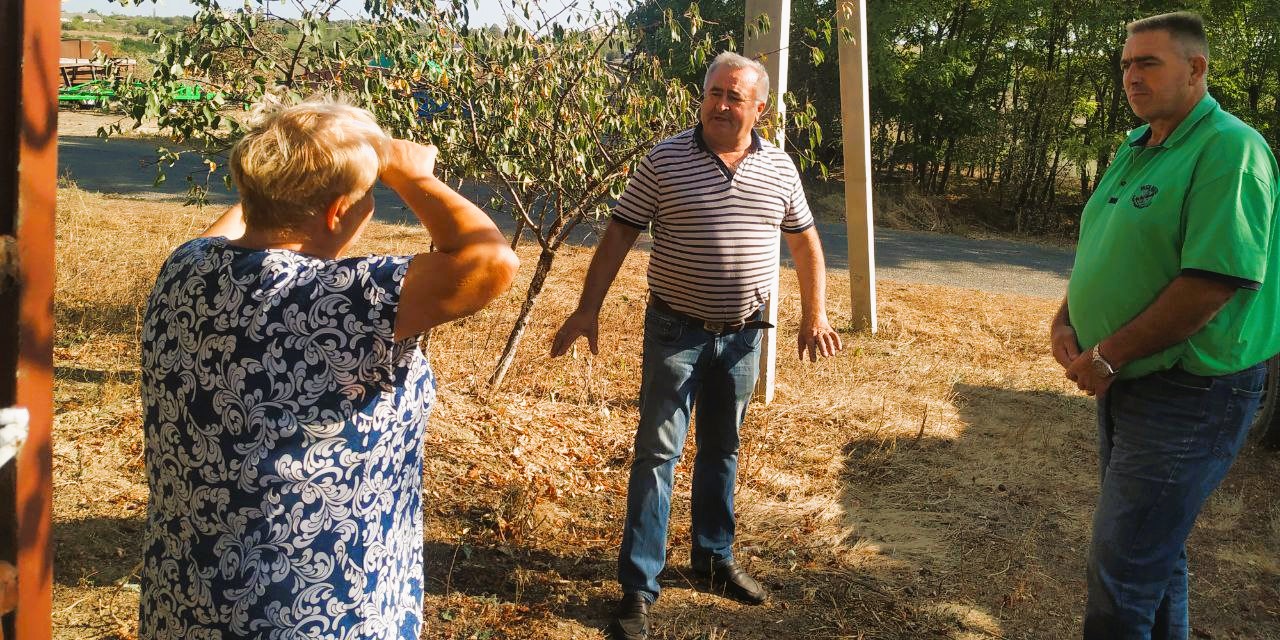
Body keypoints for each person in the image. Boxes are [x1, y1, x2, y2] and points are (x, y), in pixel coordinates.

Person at [138, 97, 518, 639]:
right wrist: (408, 174)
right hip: (319, 608)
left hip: (188, 594)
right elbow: (492, 261)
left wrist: (293, 162)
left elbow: (242, 221)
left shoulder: (187, 266)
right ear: (337, 210)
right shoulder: (341, 299)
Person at [551, 51, 842, 640]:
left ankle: (712, 558)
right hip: (674, 332)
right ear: (703, 96)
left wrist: (816, 314)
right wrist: (588, 308)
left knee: (722, 448)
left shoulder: (780, 169)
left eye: (736, 96)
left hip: (741, 338)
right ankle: (638, 587)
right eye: (715, 92)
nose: (722, 104)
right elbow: (618, 234)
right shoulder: (664, 161)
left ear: (760, 108)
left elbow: (806, 245)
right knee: (658, 455)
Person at [1049, 12, 1280, 639]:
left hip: (1191, 388)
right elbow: (1109, 245)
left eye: (1147, 63)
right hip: (1131, 378)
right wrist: (1067, 315)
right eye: (1126, 64)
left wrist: (1108, 354)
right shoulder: (1137, 145)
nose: (1131, 76)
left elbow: (1212, 283)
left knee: (1123, 566)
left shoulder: (1229, 150)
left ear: (1197, 67)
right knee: (1152, 552)